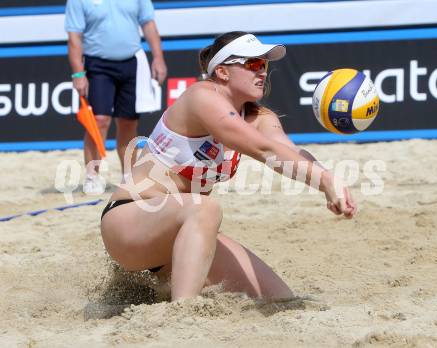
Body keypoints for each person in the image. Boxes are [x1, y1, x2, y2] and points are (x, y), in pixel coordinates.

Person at [100, 31, 357, 301]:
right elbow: (264, 150)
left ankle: (156, 288)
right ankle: (181, 313)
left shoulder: (258, 117)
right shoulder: (201, 97)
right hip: (129, 223)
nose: (262, 72)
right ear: (222, 71)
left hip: (179, 234)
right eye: (254, 64)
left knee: (278, 297)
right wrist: (324, 182)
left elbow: (288, 151)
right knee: (206, 208)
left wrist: (328, 179)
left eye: (265, 65)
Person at [65, 0, 167, 194]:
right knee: (99, 121)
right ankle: (92, 175)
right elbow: (74, 37)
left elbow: (148, 24)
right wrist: (78, 73)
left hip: (132, 62)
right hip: (98, 64)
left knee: (128, 122)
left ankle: (129, 176)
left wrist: (159, 58)